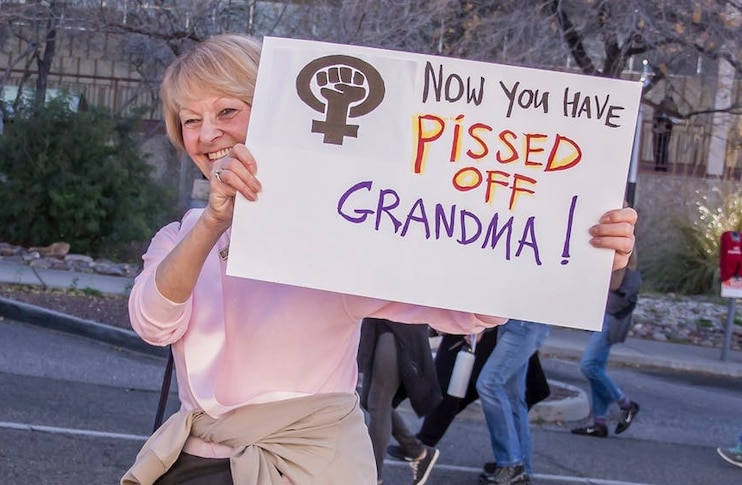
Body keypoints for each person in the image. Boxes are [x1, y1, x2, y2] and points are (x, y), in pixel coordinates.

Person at [120, 33, 638, 485]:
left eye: (227, 111)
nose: (207, 134)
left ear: (279, 113)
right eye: (191, 120)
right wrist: (212, 223)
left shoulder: (334, 233)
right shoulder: (180, 237)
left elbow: (466, 309)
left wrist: (591, 260)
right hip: (197, 465)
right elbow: (152, 322)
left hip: (309, 471)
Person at [386, 328, 550, 469]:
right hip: (488, 325)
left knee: (486, 388)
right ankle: (516, 464)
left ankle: (513, 463)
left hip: (485, 325)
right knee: (497, 391)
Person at [358, 318, 441, 485]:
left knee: (377, 404)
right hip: (378, 322)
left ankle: (374, 478)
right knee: (369, 400)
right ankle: (418, 452)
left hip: (398, 325)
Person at [571, 248, 642, 439]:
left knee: (589, 366)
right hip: (613, 314)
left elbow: (615, 282)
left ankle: (626, 404)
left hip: (611, 316)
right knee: (597, 368)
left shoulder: (622, 244)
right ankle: (599, 422)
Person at [476, 320, 551, 485]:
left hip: (524, 324)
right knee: (513, 397)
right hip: (518, 323)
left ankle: (512, 463)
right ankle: (521, 466)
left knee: (489, 384)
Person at [652, 95, 677, 171]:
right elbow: (655, 117)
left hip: (666, 131)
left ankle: (663, 165)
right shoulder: (659, 108)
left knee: (664, 148)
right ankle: (657, 165)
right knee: (657, 148)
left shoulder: (672, 109)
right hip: (658, 130)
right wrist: (658, 125)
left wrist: (666, 124)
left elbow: (674, 119)